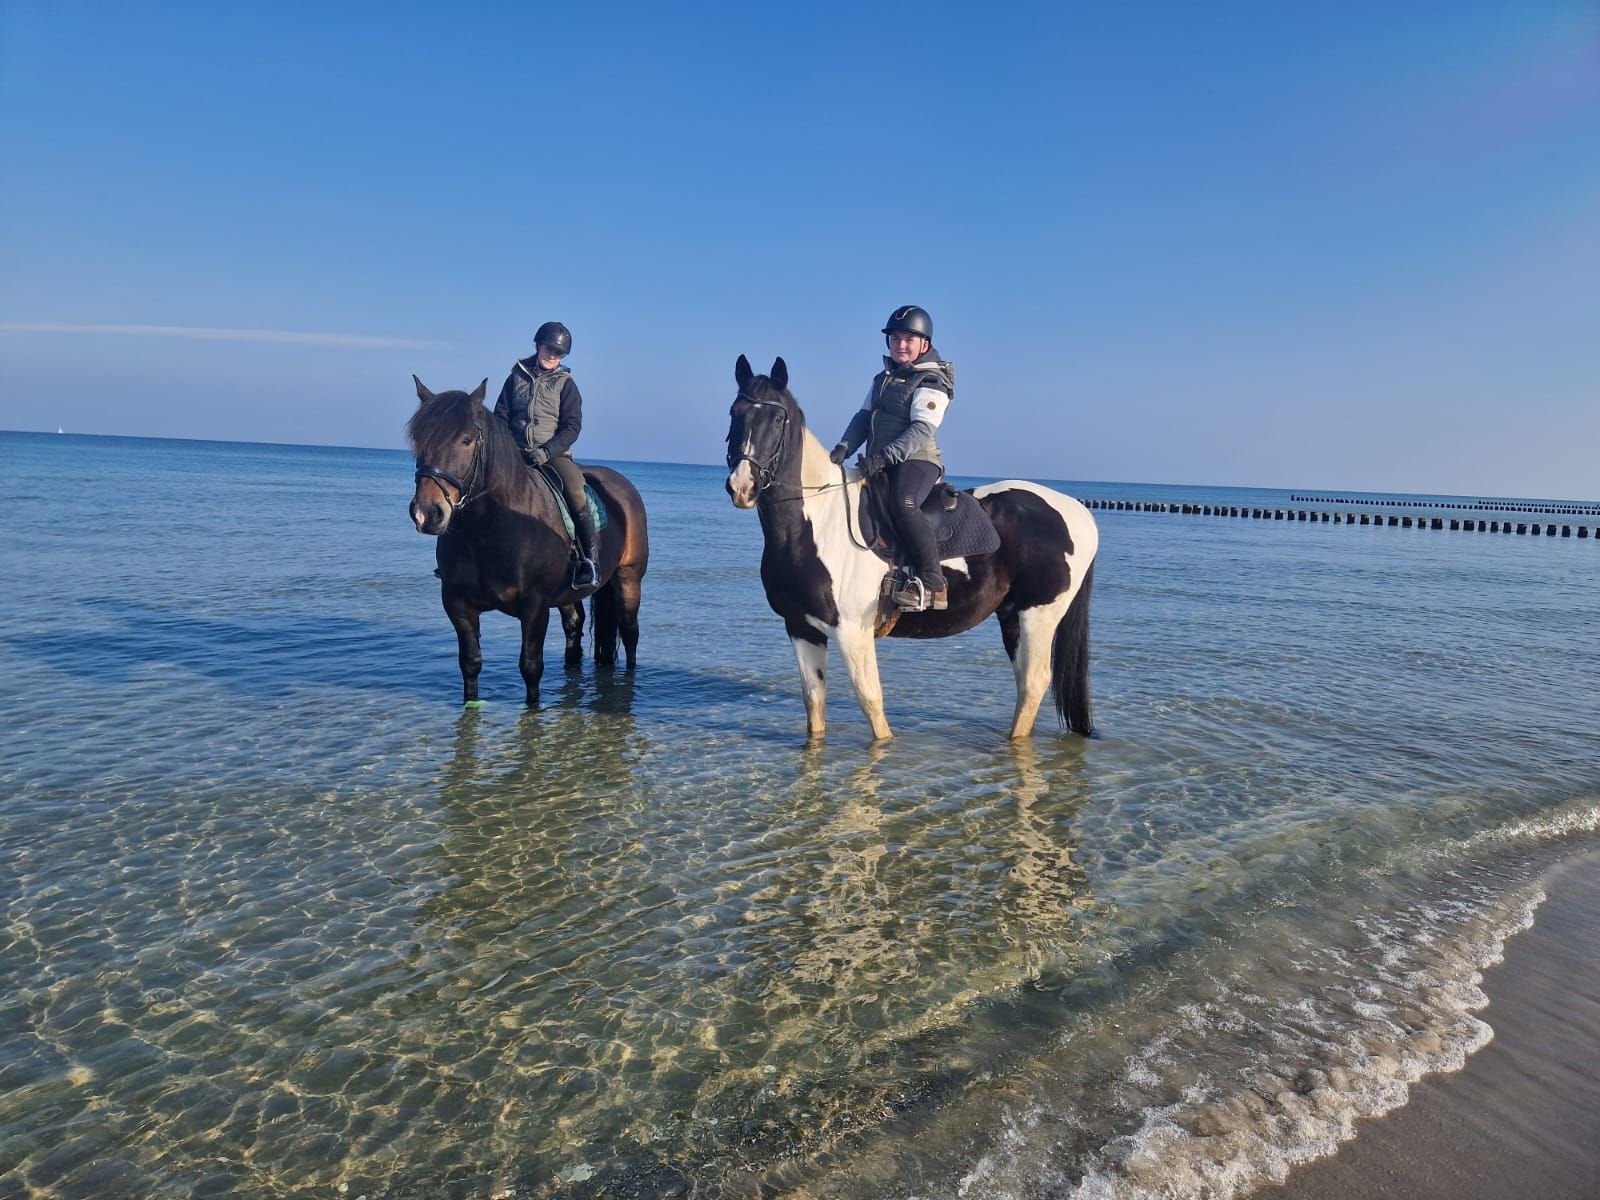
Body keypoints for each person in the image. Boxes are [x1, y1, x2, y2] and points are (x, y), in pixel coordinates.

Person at [830, 305, 955, 611]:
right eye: (895, 338)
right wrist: (843, 448)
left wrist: (883, 458)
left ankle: (933, 582)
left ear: (923, 344)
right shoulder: (882, 379)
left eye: (908, 339)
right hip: (880, 459)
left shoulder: (932, 381)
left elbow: (921, 430)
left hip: (917, 460)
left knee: (904, 501)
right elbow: (863, 418)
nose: (901, 345)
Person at [492, 321, 599, 591]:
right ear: (538, 345)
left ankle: (589, 560)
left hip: (553, 454)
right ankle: (461, 557)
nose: (553, 355)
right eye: (549, 348)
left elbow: (572, 427)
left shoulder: (566, 385)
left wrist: (547, 451)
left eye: (559, 353)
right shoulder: (515, 377)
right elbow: (500, 417)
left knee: (576, 492)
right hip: (513, 453)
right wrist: (505, 450)